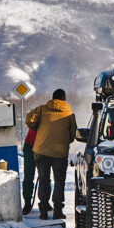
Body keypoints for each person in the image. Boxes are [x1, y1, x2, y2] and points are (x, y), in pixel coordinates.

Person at [25, 89, 77, 220]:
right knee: (59, 182)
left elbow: (29, 120)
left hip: (41, 151)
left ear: (52, 98)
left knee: (43, 179)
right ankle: (58, 210)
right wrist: (63, 141)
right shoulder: (69, 113)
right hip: (60, 153)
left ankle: (43, 211)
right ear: (64, 99)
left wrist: (39, 129)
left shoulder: (42, 109)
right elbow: (72, 135)